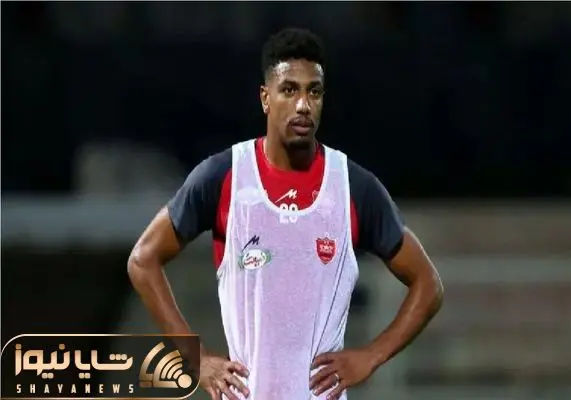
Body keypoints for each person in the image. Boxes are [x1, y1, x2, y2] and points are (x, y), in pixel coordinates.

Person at [128, 27, 443, 400]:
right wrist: (195, 358)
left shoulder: (353, 187)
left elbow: (428, 285)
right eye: (290, 90)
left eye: (314, 92)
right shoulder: (224, 176)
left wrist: (371, 356)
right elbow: (143, 260)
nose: (303, 105)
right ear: (266, 97)